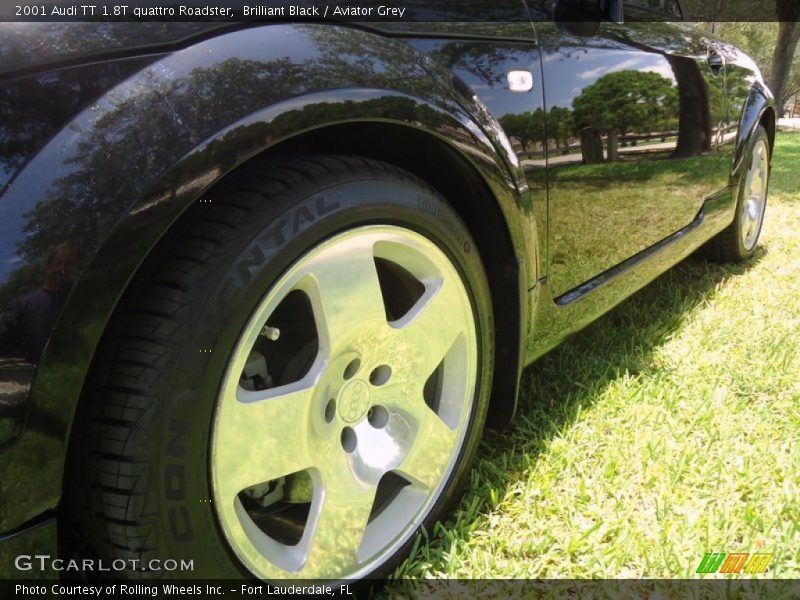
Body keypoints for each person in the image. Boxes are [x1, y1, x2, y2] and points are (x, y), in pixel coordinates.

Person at [0, 243, 80, 364]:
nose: (62, 269)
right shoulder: (22, 306)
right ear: (48, 266)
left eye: (68, 264)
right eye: (58, 263)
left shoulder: (81, 301)